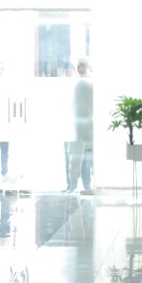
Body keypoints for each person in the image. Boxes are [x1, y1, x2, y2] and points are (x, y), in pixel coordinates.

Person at [65, 58, 95, 193]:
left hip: (89, 123)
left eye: (82, 65)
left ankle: (89, 185)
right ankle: (73, 185)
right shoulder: (74, 83)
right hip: (77, 124)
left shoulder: (91, 82)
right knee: (75, 157)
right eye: (79, 66)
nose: (80, 68)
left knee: (90, 156)